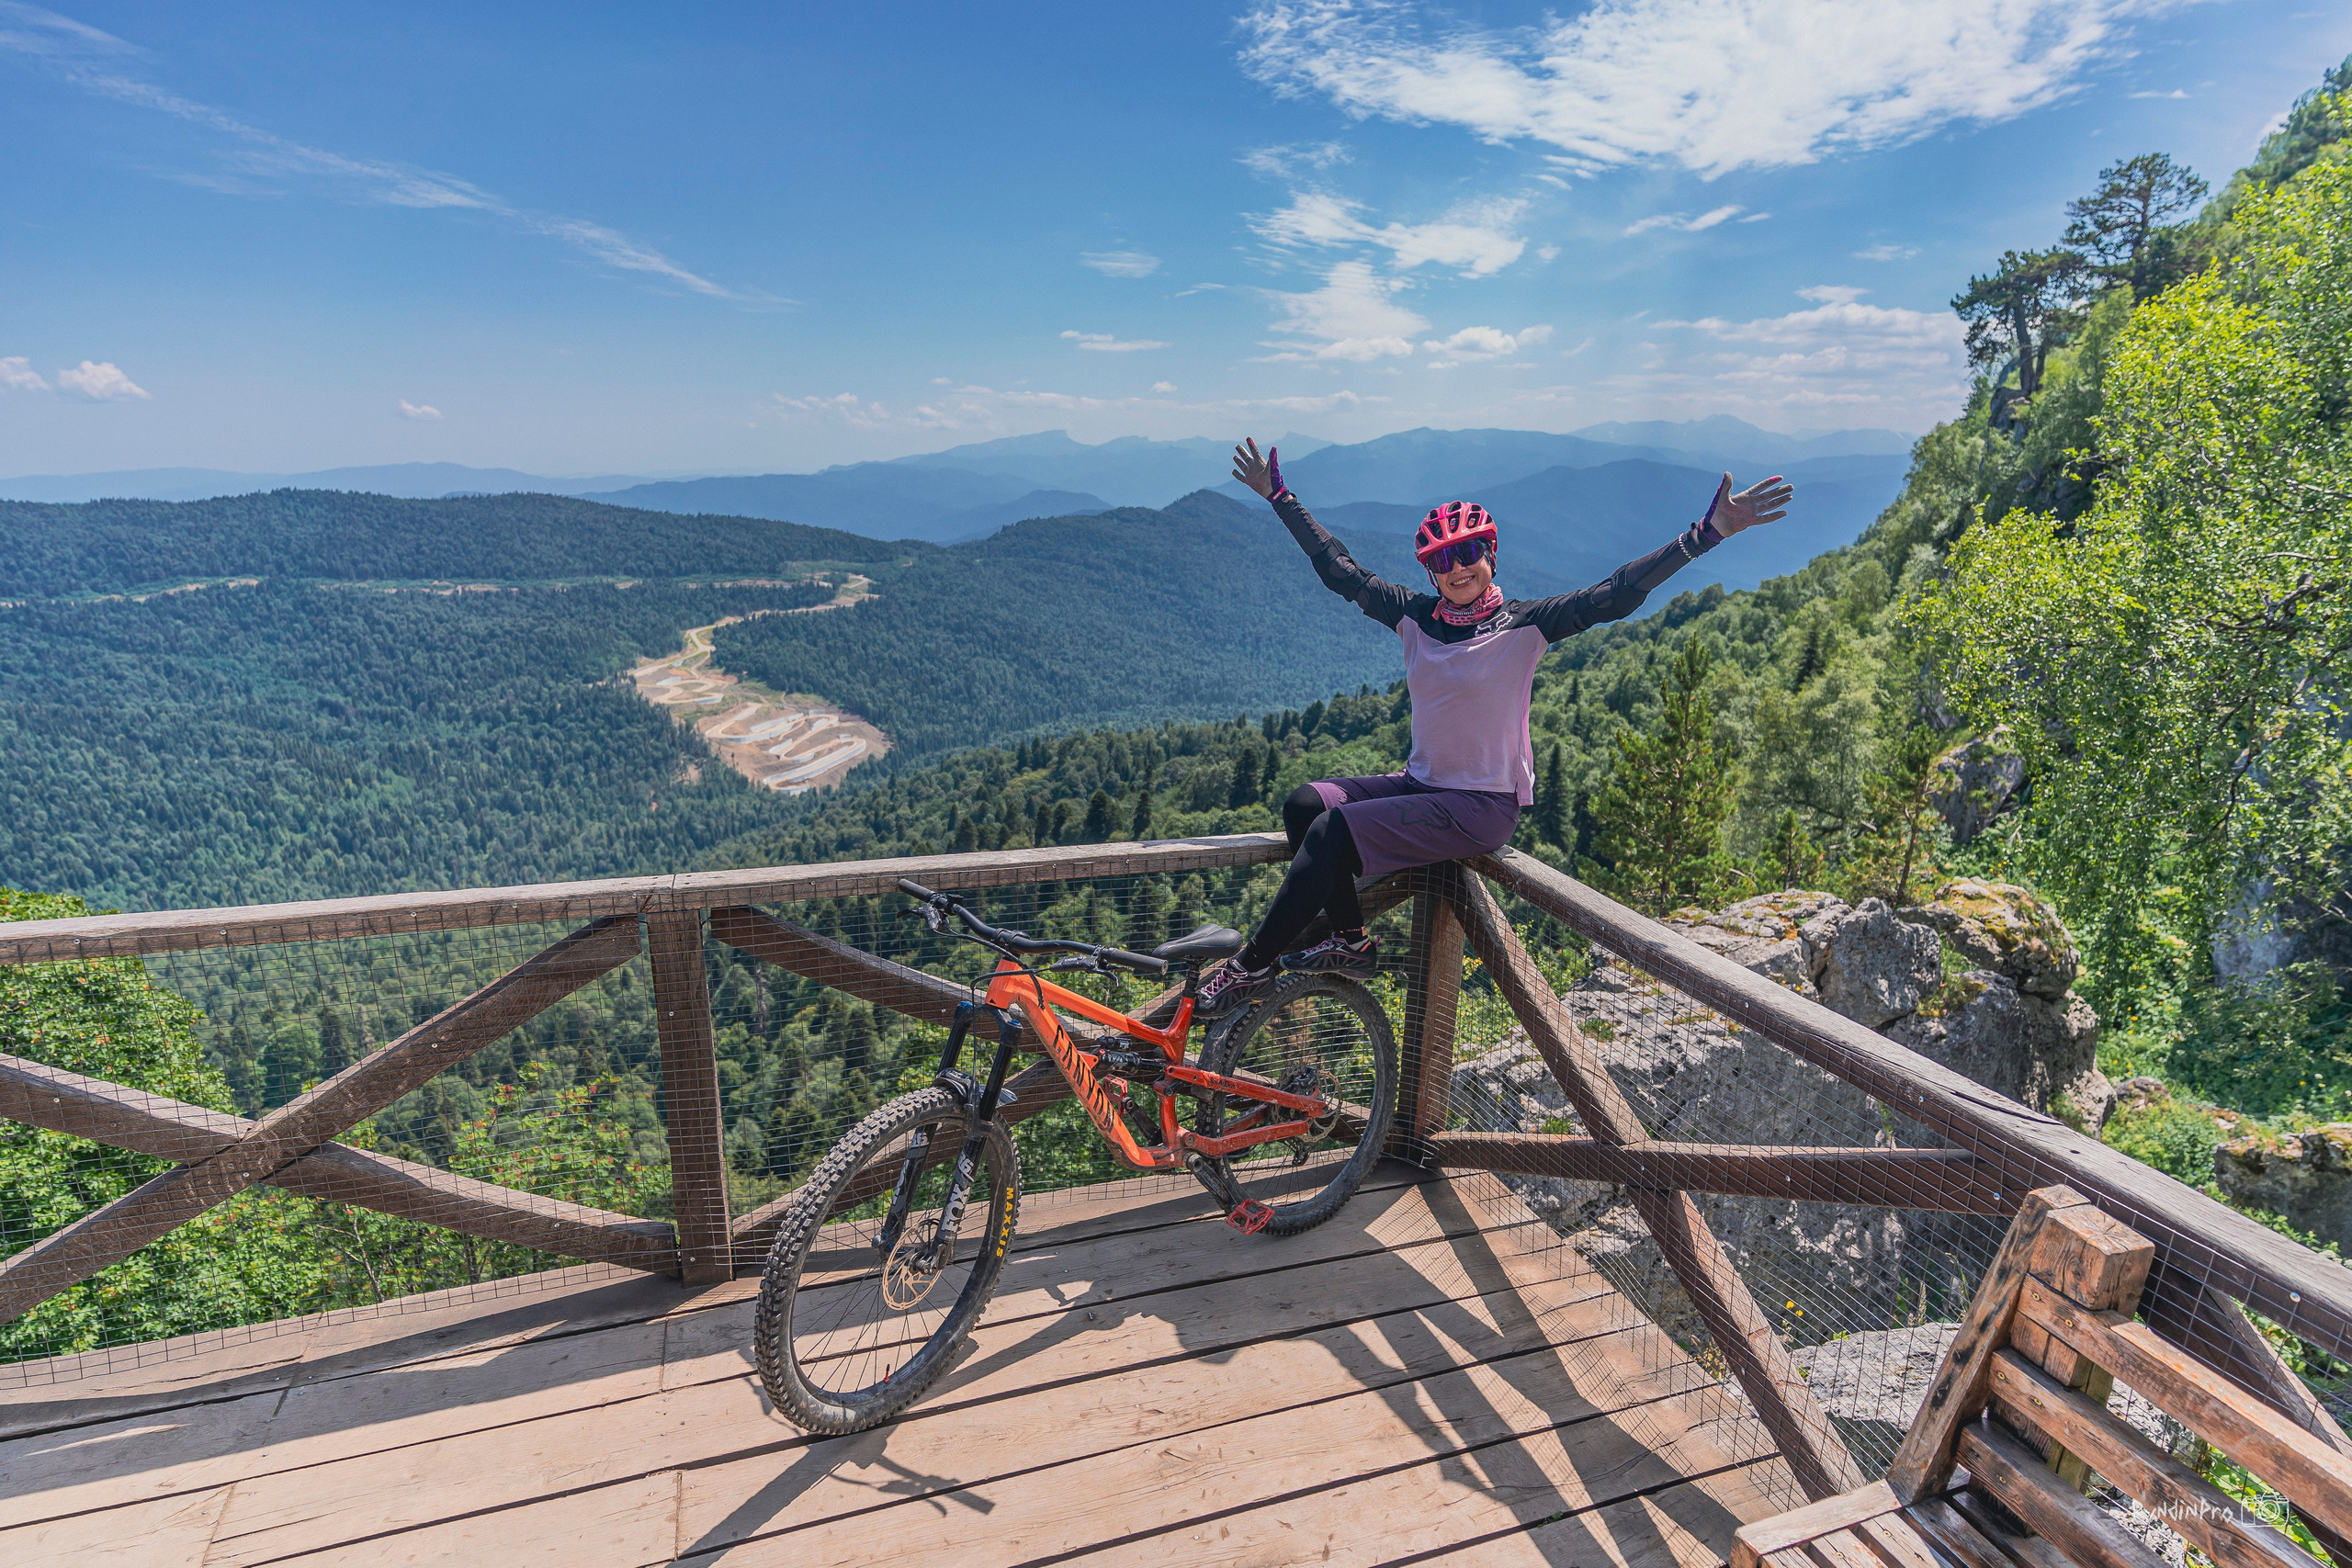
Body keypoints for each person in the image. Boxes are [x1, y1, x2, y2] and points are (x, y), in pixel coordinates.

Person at [1194, 437, 1792, 1018]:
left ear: (1490, 556)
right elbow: (1341, 570)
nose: (1458, 569)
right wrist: (1279, 497)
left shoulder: (1526, 625)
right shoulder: (1415, 616)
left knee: (1330, 835)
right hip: (1422, 783)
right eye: (1442, 560)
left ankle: (1249, 966)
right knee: (1305, 806)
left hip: (1480, 805)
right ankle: (1350, 941)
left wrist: (1705, 535)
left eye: (1468, 554)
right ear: (1430, 571)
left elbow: (1615, 594)